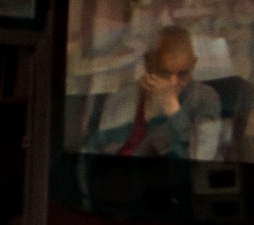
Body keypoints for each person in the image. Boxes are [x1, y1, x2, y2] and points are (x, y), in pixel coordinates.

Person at [88, 24, 222, 164]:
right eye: (164, 73)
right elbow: (97, 146)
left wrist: (172, 108)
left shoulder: (205, 98)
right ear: (148, 62)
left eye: (182, 74)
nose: (172, 82)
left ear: (193, 64)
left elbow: (202, 157)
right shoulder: (123, 96)